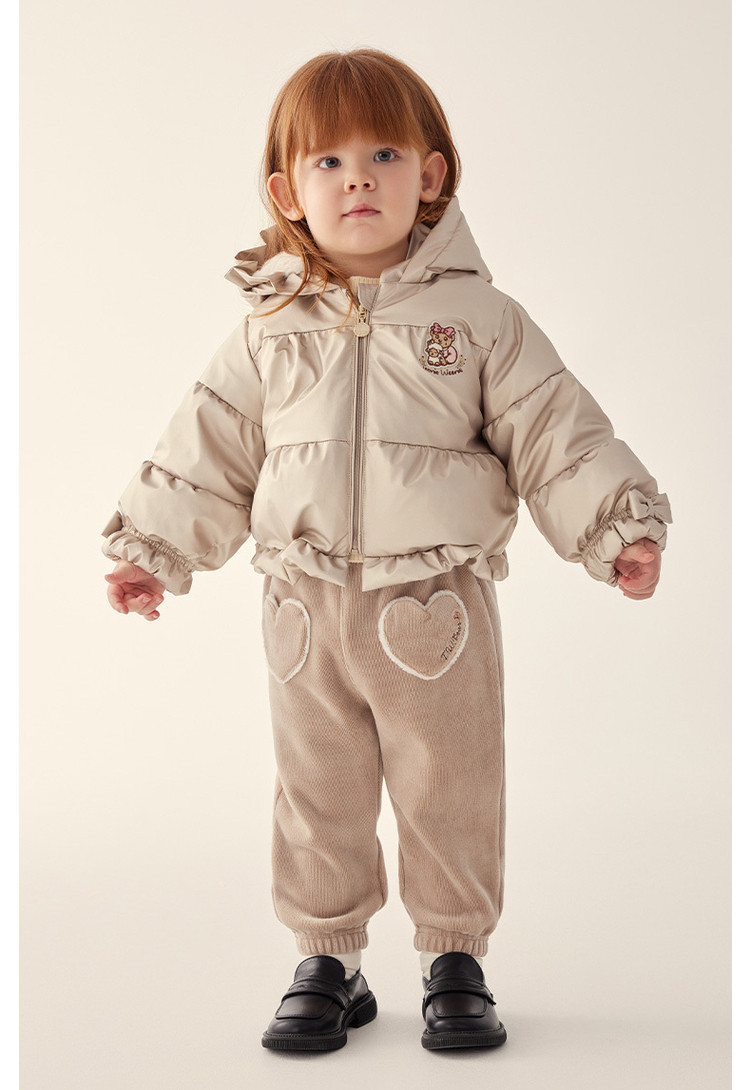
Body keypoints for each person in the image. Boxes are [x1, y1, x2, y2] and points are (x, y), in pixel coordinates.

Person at [102, 48, 671, 1053]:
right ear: (288, 193)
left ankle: (455, 956)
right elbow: (207, 450)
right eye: (328, 162)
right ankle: (329, 959)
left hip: (435, 601)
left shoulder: (481, 321)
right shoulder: (268, 329)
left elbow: (555, 431)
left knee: (450, 782)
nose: (357, 178)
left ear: (431, 176)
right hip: (304, 607)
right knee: (316, 788)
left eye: (383, 155)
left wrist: (616, 525)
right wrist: (153, 548)